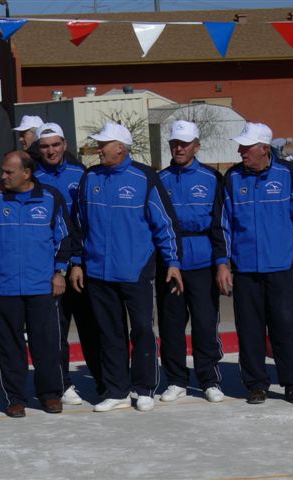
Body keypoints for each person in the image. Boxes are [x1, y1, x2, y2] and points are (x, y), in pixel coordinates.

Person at [70, 122, 183, 413]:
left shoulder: (144, 177)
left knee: (142, 329)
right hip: (98, 270)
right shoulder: (90, 177)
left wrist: (172, 261)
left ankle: (144, 388)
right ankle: (117, 390)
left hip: (135, 269)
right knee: (109, 333)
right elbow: (79, 224)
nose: (98, 149)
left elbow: (164, 223)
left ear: (120, 147)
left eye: (103, 144)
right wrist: (77, 262)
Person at [0, 150, 72, 417]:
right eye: (3, 171)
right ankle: (15, 397)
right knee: (10, 346)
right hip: (6, 286)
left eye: (9, 172)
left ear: (27, 173)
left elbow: (64, 239)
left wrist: (60, 272)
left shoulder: (50, 198)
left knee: (47, 344)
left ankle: (50, 394)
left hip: (42, 286)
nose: (3, 176)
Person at [212, 122, 293, 405]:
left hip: (282, 268)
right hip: (245, 270)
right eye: (241, 146)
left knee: (287, 329)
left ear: (264, 148)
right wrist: (222, 263)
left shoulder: (288, 174)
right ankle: (256, 384)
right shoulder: (232, 178)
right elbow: (222, 225)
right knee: (250, 331)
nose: (240, 151)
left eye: (246, 147)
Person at [33, 123, 104, 403]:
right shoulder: (32, 178)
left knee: (91, 327)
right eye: (45, 146)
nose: (51, 151)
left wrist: (77, 261)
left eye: (55, 145)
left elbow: (88, 220)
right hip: (49, 267)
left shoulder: (81, 174)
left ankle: (104, 382)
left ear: (64, 145)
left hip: (81, 264)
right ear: (38, 149)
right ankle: (62, 383)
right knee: (55, 330)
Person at [156, 120, 224, 404]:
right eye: (174, 144)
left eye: (184, 144)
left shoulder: (212, 178)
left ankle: (209, 379)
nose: (179, 148)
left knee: (205, 324)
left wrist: (222, 261)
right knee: (171, 325)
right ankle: (176, 380)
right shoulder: (160, 179)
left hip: (203, 260)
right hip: (170, 262)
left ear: (197, 146)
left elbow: (220, 223)